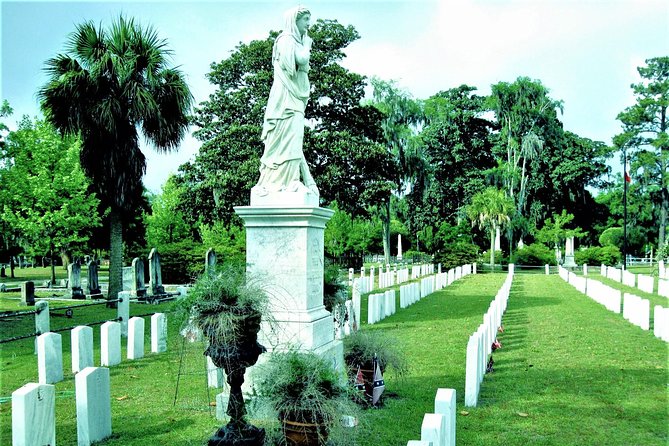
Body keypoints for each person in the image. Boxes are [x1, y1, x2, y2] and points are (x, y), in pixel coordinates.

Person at [255, 6, 318, 197]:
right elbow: (301, 58)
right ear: (294, 21)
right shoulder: (286, 40)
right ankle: (287, 181)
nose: (308, 23)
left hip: (295, 97)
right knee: (289, 137)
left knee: (294, 137)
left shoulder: (295, 41)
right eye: (305, 19)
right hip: (285, 99)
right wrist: (307, 44)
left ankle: (293, 180)